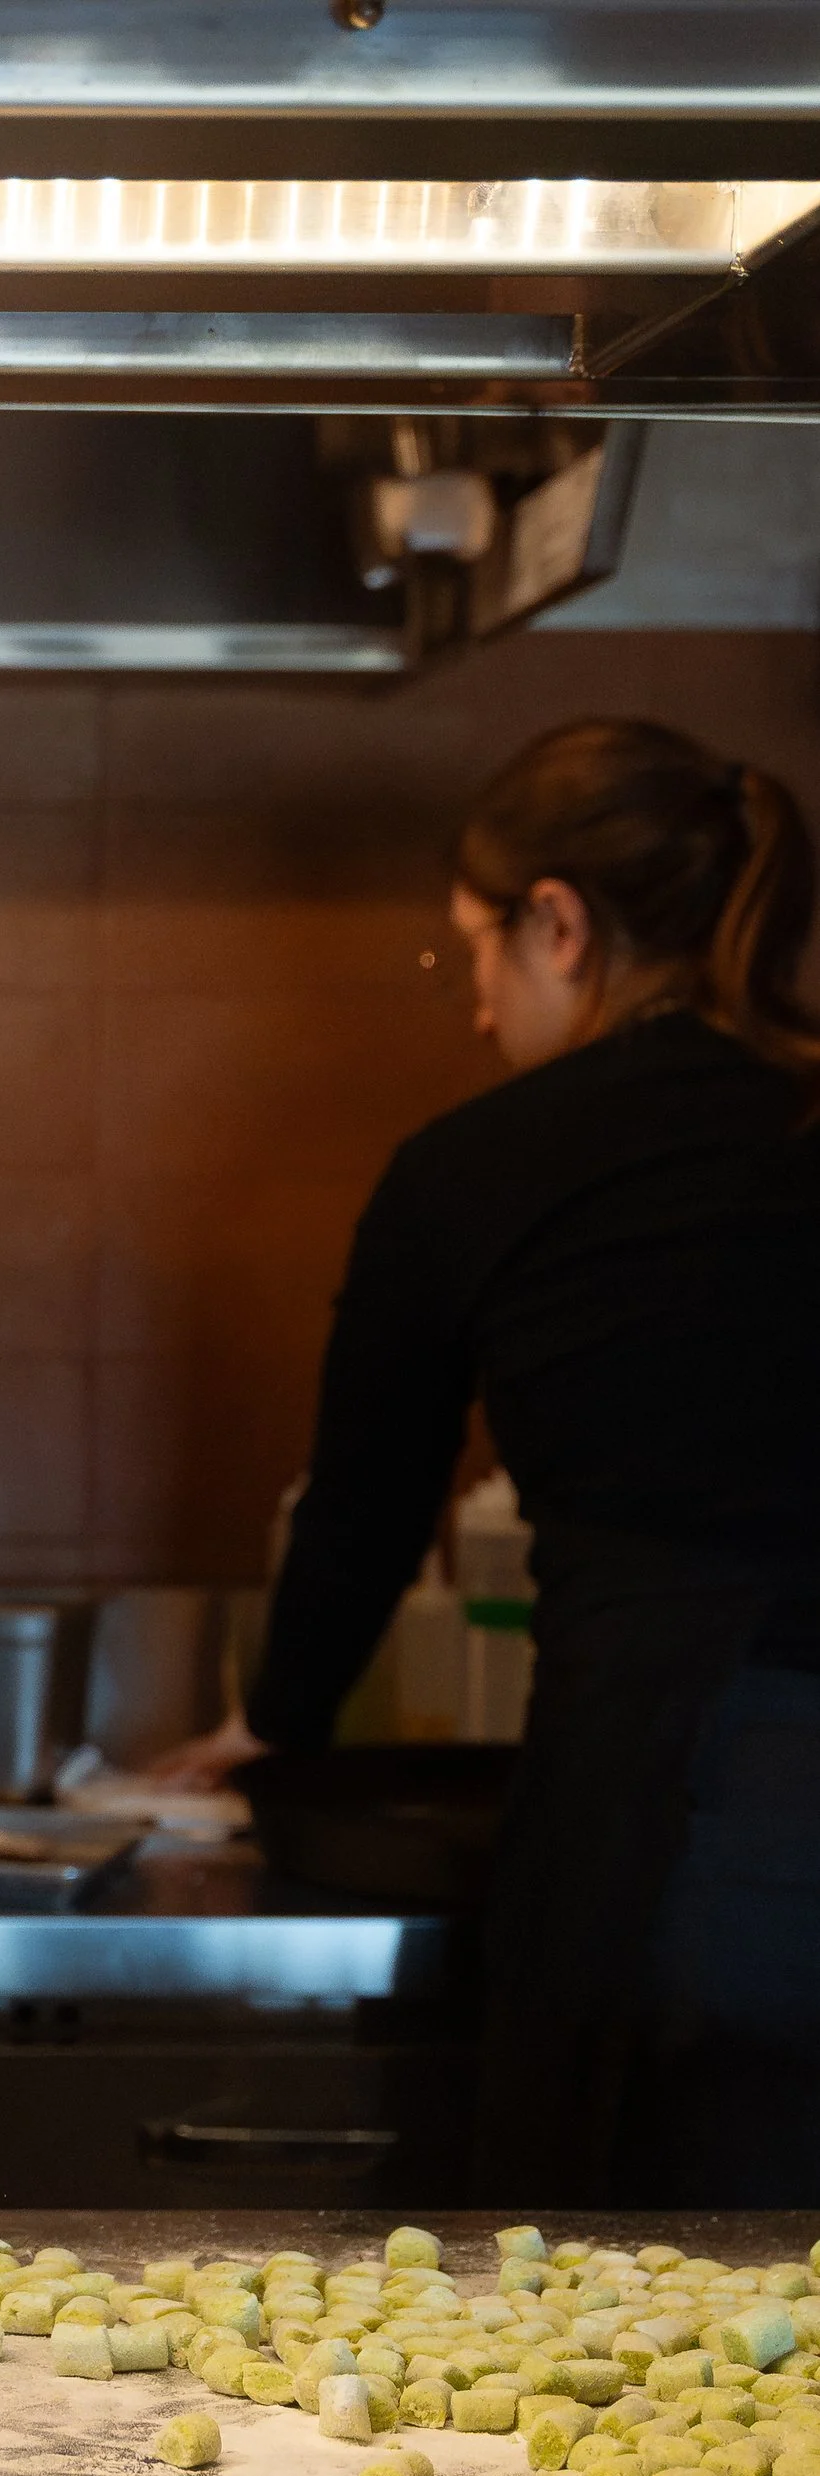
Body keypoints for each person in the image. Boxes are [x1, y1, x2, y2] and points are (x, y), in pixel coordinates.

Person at [158, 719, 820, 2206]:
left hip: (668, 1815)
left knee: (621, 2324)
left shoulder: (474, 1168)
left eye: (472, 953)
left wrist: (276, 1716)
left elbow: (370, 1506)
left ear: (561, 924)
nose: (472, 1007)